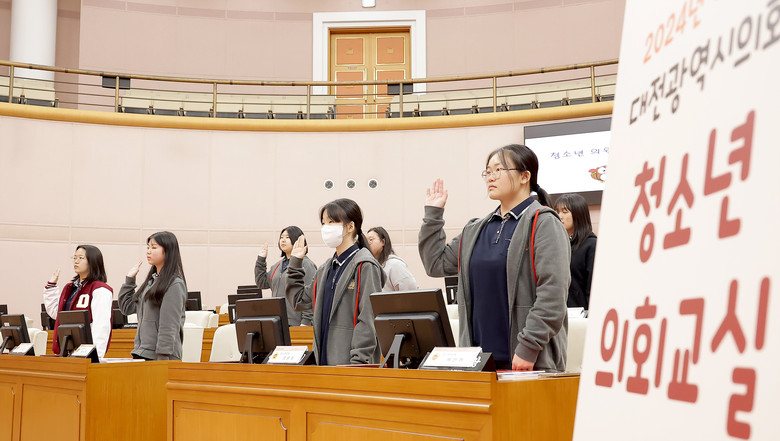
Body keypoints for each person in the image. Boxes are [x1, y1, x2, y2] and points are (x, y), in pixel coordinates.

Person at [418, 144, 570, 371]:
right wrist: (433, 215)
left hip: (526, 361)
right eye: (488, 171)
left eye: (499, 170)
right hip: (477, 363)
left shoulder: (544, 222)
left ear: (524, 176)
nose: (490, 177)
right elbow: (435, 263)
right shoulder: (475, 229)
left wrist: (528, 346)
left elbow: (553, 293)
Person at [286, 198, 385, 365]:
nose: (326, 228)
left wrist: (358, 362)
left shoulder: (365, 266)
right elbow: (299, 301)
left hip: (351, 364)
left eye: (331, 222)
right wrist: (295, 263)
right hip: (324, 363)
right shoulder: (325, 269)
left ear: (350, 226)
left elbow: (368, 320)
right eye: (323, 223)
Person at [118, 231, 187, 360]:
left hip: (162, 357)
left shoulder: (174, 284)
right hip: (142, 352)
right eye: (148, 247)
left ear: (168, 251)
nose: (148, 251)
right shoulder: (151, 282)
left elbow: (169, 326)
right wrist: (129, 281)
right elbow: (126, 308)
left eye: (154, 247)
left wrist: (162, 360)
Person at [43, 245, 112, 358]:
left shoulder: (100, 289)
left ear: (93, 261)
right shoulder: (70, 287)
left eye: (81, 258)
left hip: (85, 354)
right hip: (66, 350)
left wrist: (96, 356)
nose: (76, 261)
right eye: (74, 257)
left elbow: (101, 325)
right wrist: (51, 287)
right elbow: (57, 314)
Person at [255, 226, 316, 325]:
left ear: (297, 240)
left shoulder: (306, 264)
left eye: (287, 237)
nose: (283, 240)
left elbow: (310, 296)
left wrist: (305, 322)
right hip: (276, 321)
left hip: (297, 324)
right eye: (281, 237)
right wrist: (261, 260)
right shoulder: (277, 266)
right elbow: (262, 282)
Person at [554, 193, 597, 310]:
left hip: (581, 314)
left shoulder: (591, 245)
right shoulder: (555, 244)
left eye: (565, 212)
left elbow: (593, 287)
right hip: (556, 312)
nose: (559, 216)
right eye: (557, 211)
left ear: (578, 214)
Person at [366, 226, 419, 292]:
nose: (367, 244)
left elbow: (411, 291)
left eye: (371, 240)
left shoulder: (395, 264)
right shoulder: (371, 266)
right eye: (366, 241)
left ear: (383, 241)